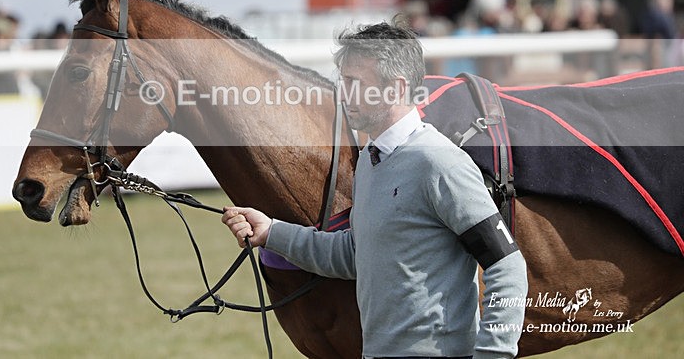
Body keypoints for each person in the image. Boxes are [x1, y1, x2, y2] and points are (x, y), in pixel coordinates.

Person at [222, 22, 528, 359]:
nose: (343, 94)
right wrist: (271, 232)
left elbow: (507, 266)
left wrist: (493, 354)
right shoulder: (371, 161)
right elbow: (356, 252)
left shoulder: (440, 163)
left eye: (354, 83)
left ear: (396, 88)